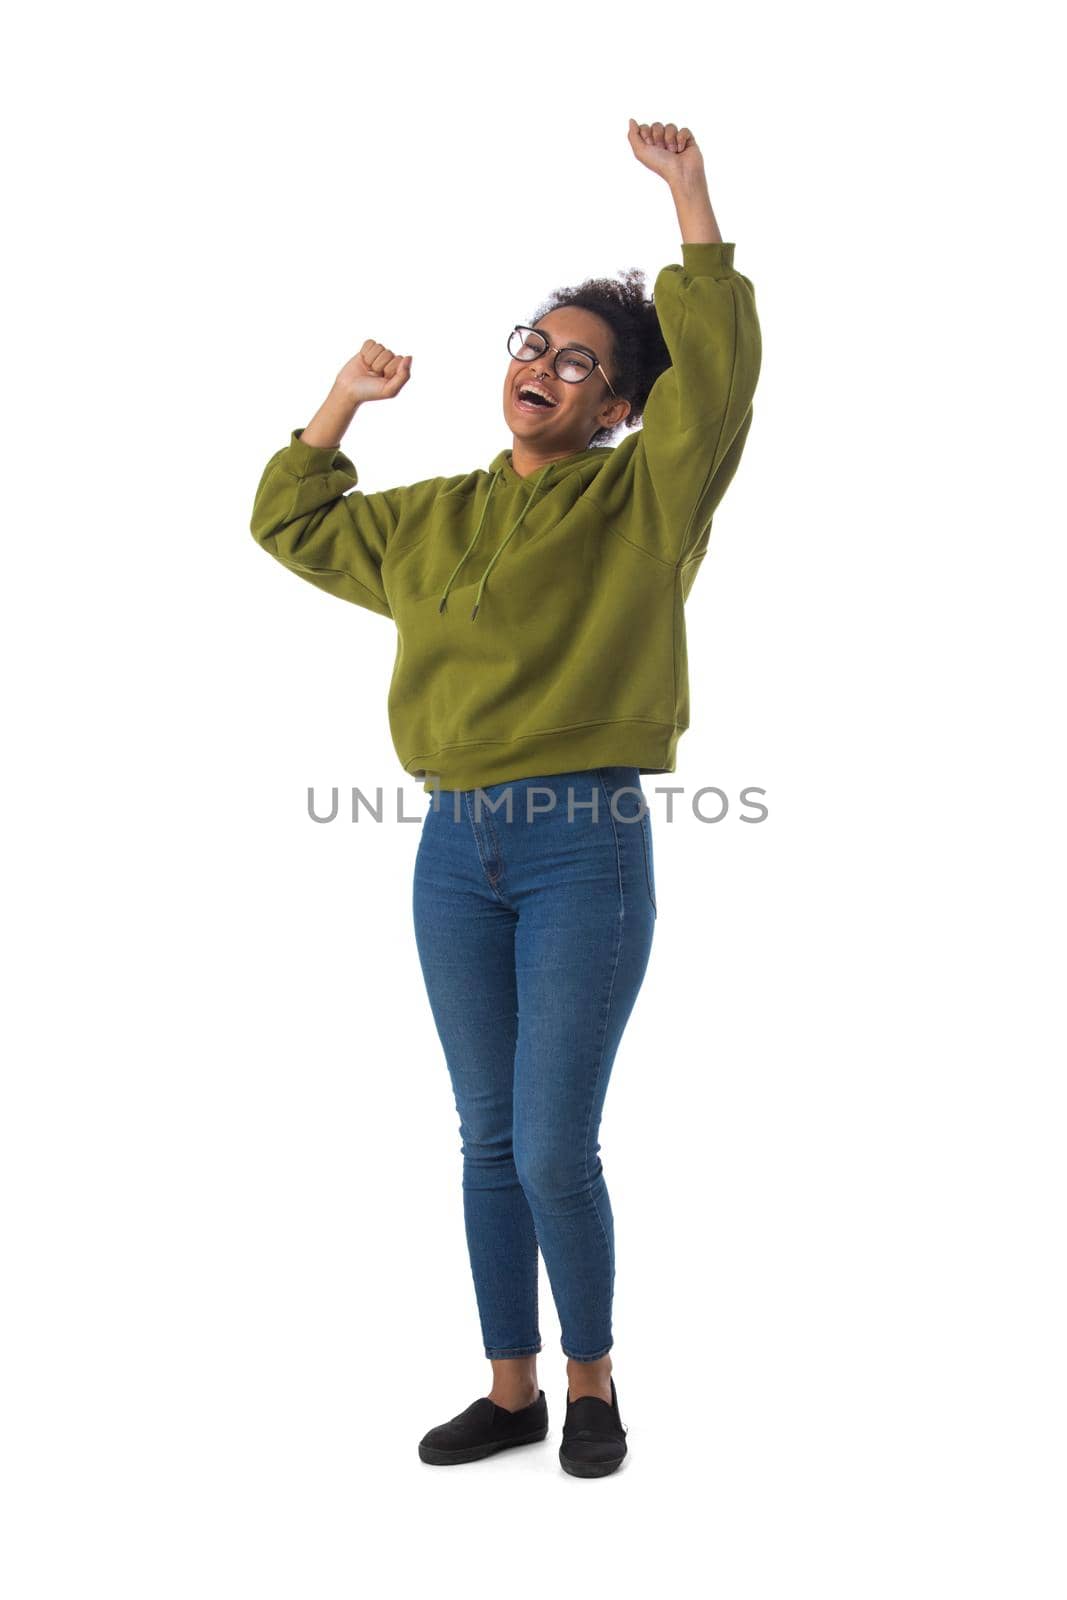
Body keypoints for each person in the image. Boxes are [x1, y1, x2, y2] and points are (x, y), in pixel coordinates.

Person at [249, 117, 762, 1477]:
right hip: (448, 848)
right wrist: (344, 402)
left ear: (619, 407)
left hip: (578, 846)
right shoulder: (430, 519)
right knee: (483, 1140)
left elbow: (715, 387)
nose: (545, 366)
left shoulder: (644, 506)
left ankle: (593, 1384)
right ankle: (511, 1389)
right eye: (534, 345)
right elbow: (291, 522)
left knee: (550, 1141)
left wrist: (692, 201)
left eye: (580, 361)